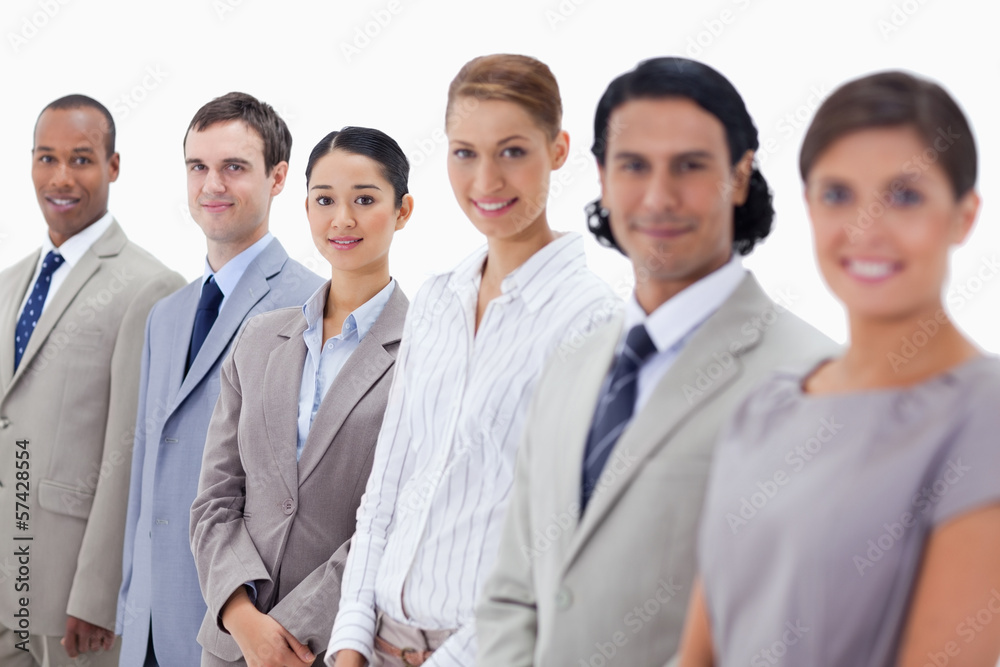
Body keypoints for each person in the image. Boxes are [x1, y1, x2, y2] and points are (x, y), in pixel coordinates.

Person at [475, 57, 839, 667]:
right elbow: (513, 590)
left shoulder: (815, 381)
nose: (658, 197)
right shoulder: (571, 361)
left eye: (690, 167)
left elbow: (806, 629)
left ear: (740, 175)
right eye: (633, 166)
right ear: (602, 178)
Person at [678, 71, 1000, 666]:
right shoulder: (766, 407)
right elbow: (700, 649)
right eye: (837, 194)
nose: (865, 229)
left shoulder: (983, 414)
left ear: (964, 216)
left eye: (904, 196)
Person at [326, 54, 618, 667]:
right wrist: (350, 640)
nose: (485, 181)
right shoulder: (435, 299)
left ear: (558, 150)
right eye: (465, 153)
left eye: (512, 151)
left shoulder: (593, 320)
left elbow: (569, 537)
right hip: (374, 644)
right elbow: (387, 488)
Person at [191, 126, 413, 667]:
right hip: (230, 645)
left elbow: (399, 522)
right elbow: (216, 498)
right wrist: (242, 619)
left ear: (403, 211)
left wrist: (287, 633)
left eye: (365, 199)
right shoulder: (261, 338)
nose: (342, 218)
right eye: (325, 200)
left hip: (338, 646)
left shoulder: (427, 351)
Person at [117, 92, 323, 667]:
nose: (213, 184)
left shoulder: (311, 305)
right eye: (198, 167)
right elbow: (145, 473)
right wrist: (131, 603)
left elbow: (314, 491)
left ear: (278, 177)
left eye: (234, 167)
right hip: (150, 625)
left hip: (245, 626)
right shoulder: (168, 315)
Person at [0, 95, 185, 667]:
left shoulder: (150, 286)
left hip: (70, 598)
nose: (60, 177)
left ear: (113, 166)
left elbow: (131, 451)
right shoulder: (9, 282)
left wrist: (99, 593)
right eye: (45, 158)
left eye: (80, 159)